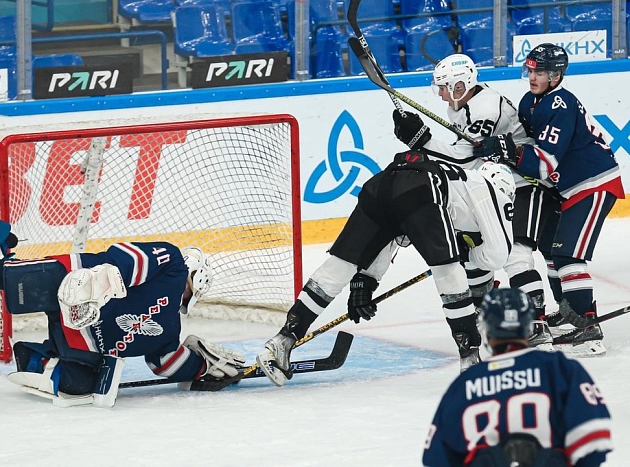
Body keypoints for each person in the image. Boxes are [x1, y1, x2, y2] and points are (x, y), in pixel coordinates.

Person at [0, 205, 246, 407]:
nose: (185, 298)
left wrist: (205, 366)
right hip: (70, 280)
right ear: (193, 277)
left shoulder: (168, 332)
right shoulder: (173, 264)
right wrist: (97, 283)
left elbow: (166, 364)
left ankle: (37, 358)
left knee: (76, 388)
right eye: (190, 292)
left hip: (80, 338)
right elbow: (129, 259)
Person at [256, 153, 515, 386]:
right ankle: (470, 359)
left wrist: (365, 282)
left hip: (380, 184)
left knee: (339, 267)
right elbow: (496, 256)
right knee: (448, 272)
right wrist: (459, 255)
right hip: (422, 185)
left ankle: (283, 340)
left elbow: (394, 231)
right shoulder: (491, 191)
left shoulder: (462, 186)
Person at [392, 53, 558, 349]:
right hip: (491, 188)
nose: (441, 93)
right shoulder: (464, 104)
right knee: (476, 247)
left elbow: (464, 156)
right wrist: (421, 142)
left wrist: (422, 141)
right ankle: (482, 308)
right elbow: (466, 157)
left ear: (460, 85)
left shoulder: (484, 107)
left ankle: (536, 321)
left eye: (444, 87)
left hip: (524, 184)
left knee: (515, 254)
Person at [473, 43, 625, 356]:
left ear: (555, 76)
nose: (532, 76)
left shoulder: (560, 104)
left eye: (540, 71)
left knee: (568, 254)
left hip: (592, 184)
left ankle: (587, 323)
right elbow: (526, 144)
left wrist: (508, 151)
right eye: (530, 69)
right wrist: (500, 145)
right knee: (551, 252)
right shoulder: (530, 101)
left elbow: (544, 163)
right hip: (565, 189)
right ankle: (569, 312)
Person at [423, 287, 613, 466]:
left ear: (487, 328)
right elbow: (595, 439)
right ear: (527, 324)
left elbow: (435, 457)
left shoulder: (466, 383)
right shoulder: (560, 369)